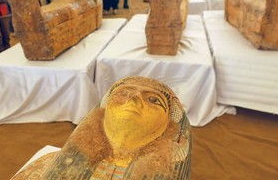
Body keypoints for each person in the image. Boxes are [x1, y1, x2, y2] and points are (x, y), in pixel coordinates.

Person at [12, 76, 192, 179]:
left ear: (169, 126)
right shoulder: (44, 165)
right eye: (123, 93)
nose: (134, 99)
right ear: (103, 110)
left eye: (153, 100)